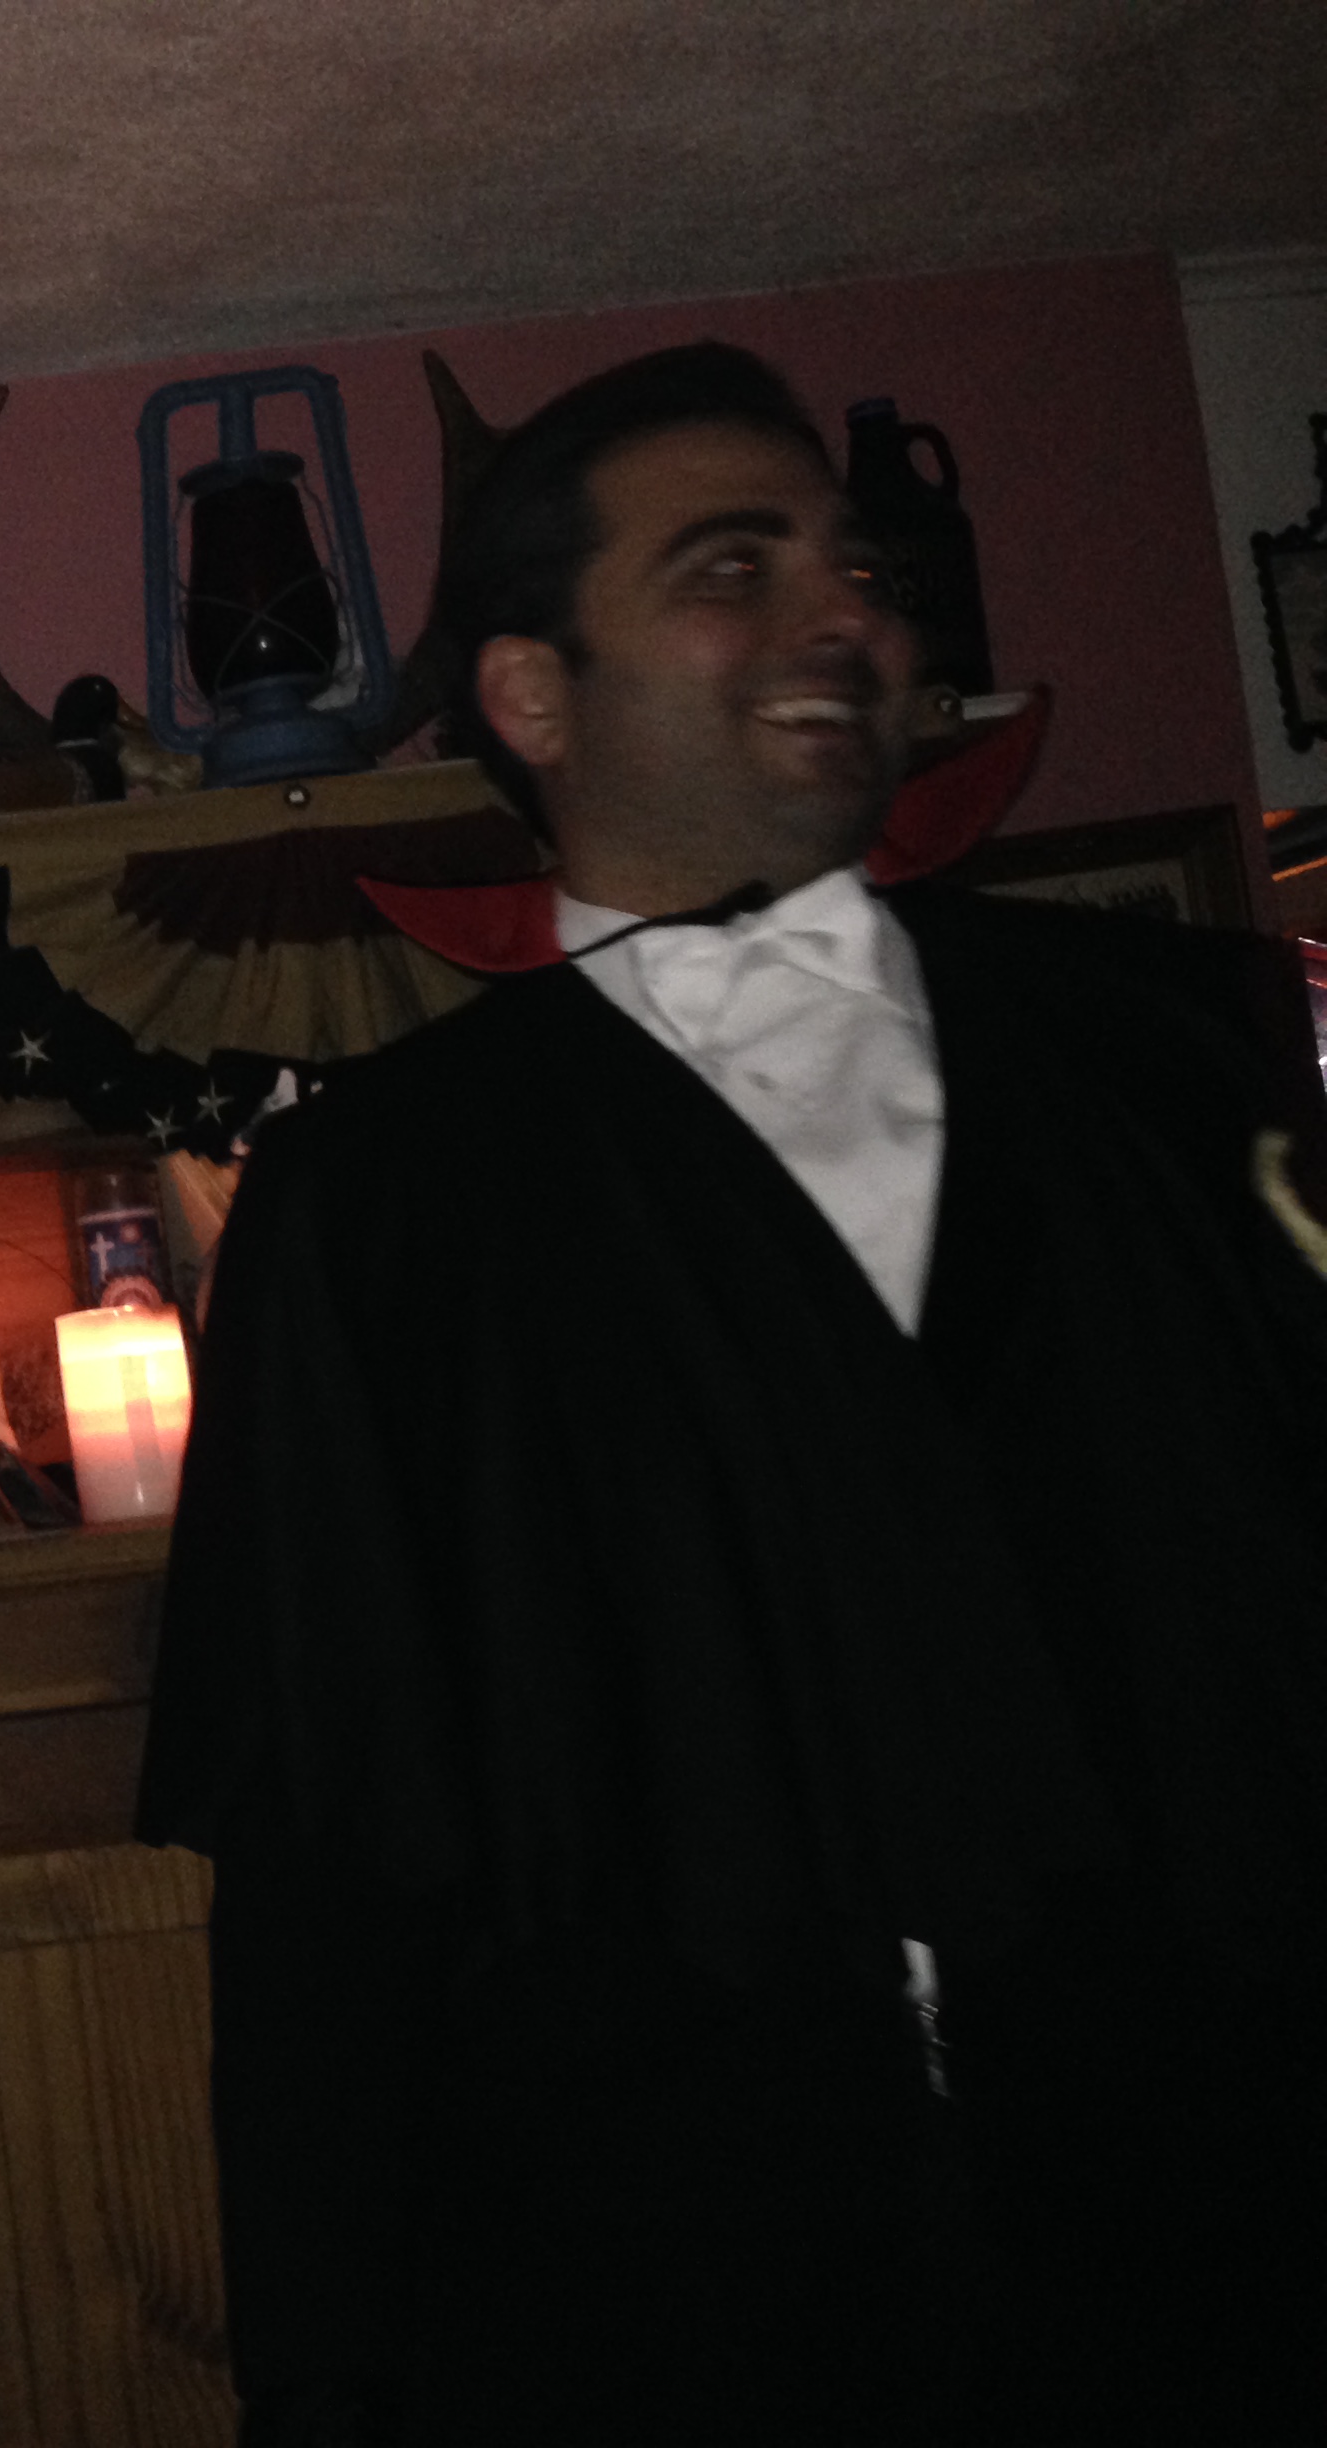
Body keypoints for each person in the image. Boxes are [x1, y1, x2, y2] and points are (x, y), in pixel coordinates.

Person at [140, 342, 1327, 2444]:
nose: (841, 614)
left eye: (853, 566)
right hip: (656, 2310)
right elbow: (326, 1875)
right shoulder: (371, 1212)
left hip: (1229, 2250)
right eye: (730, 568)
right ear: (530, 695)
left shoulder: (1181, 1048)